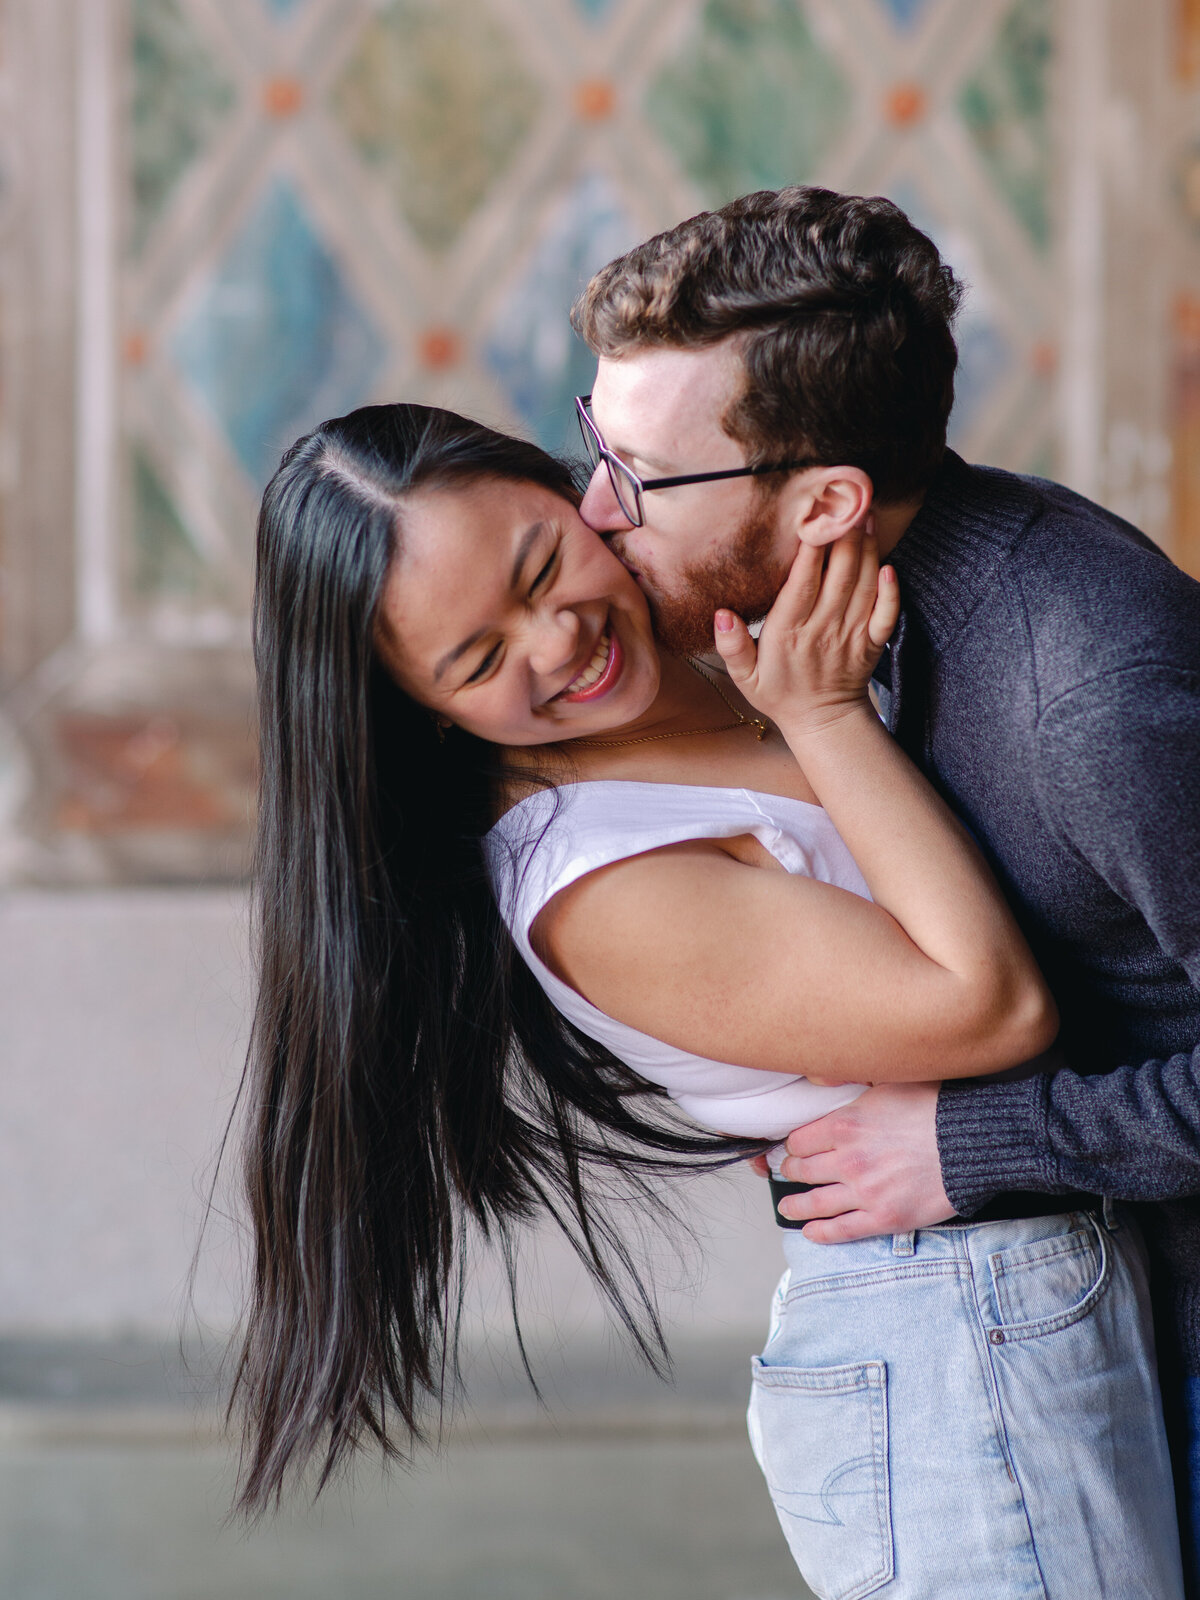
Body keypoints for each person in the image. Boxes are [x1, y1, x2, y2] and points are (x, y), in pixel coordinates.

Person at [232, 400, 1183, 1597]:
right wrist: (825, 716)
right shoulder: (588, 876)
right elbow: (989, 1008)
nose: (558, 639)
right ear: (421, 708)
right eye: (479, 659)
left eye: (542, 563)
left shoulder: (725, 643)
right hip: (960, 1341)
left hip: (1068, 1275)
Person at [571, 183, 1200, 1584]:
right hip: (1094, 1327)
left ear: (827, 502)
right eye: (591, 445)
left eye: (640, 477)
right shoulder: (812, 632)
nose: (596, 514)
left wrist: (979, 1144)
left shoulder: (1090, 691)